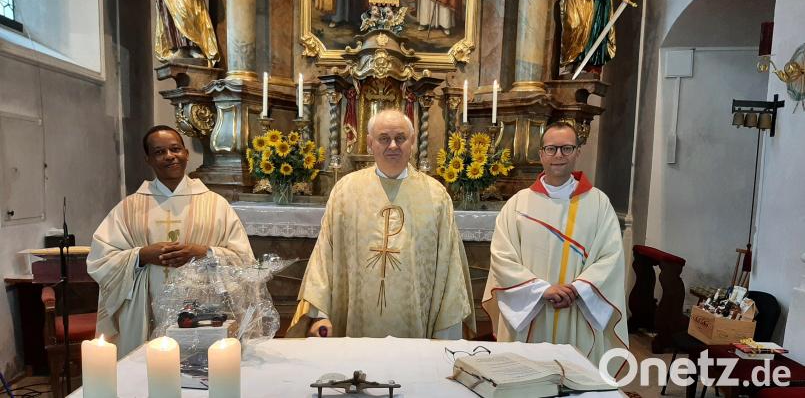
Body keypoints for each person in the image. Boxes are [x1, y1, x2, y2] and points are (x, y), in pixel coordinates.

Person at [288, 109, 475, 339]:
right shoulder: (346, 191)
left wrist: (446, 328)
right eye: (384, 138)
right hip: (355, 326)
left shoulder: (436, 196)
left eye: (400, 138)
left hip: (416, 333)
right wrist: (321, 314)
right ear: (369, 143)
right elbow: (325, 258)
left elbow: (450, 264)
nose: (393, 146)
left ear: (413, 142)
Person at [87, 126, 253, 357]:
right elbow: (99, 260)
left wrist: (203, 251)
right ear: (148, 159)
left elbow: (243, 259)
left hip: (203, 305)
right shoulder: (129, 208)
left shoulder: (216, 205)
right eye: (159, 152)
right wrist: (142, 255)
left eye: (175, 149)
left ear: (186, 153)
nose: (169, 156)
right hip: (145, 309)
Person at [482, 121, 628, 377]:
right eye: (551, 149)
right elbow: (502, 258)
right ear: (541, 154)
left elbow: (610, 257)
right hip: (533, 312)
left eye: (566, 148)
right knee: (527, 381)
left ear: (577, 153)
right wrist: (543, 290)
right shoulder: (518, 204)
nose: (558, 155)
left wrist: (577, 289)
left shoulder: (598, 203)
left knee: (575, 380)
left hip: (578, 310)